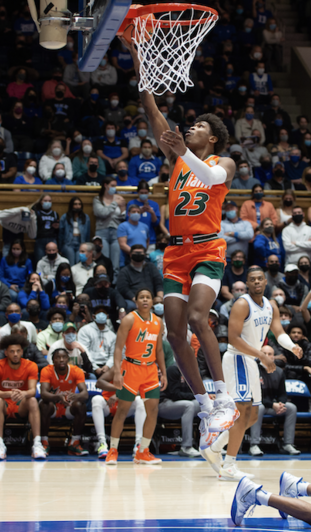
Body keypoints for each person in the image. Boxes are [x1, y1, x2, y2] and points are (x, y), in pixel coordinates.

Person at [130, 40, 239, 445]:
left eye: (199, 127)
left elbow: (211, 181)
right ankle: (206, 403)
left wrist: (181, 152)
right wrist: (138, 54)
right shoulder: (178, 156)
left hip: (208, 249)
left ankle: (224, 397)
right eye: (189, 126)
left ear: (212, 139)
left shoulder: (221, 162)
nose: (190, 127)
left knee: (197, 318)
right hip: (175, 252)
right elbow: (151, 108)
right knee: (174, 332)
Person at [202, 267, 304, 476]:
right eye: (252, 280)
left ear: (266, 282)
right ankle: (229, 465)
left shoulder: (271, 305)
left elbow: (278, 331)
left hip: (251, 360)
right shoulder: (242, 304)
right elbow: (234, 339)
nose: (257, 282)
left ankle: (214, 448)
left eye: (260, 279)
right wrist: (262, 355)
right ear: (247, 284)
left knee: (252, 417)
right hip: (237, 358)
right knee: (241, 414)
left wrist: (291, 345)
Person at [106, 290, 167, 465]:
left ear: (153, 301)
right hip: (130, 368)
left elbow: (159, 350)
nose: (145, 300)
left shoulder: (158, 322)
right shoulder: (129, 319)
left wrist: (162, 372)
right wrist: (117, 372)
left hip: (149, 370)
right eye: (142, 297)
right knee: (122, 411)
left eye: (148, 297)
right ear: (136, 301)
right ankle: (113, 450)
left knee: (153, 411)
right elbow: (118, 348)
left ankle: (143, 451)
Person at [0, 333, 47, 460]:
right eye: (12, 351)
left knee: (32, 401)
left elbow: (32, 391)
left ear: (22, 352)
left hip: (21, 404)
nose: (15, 354)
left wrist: (23, 393)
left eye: (18, 351)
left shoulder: (31, 365)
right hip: (4, 403)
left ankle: (37, 444)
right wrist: (9, 394)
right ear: (6, 353)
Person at [247, 345, 300, 457]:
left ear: (273, 357)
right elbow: (255, 395)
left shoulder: (279, 372)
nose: (267, 356)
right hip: (257, 405)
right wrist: (272, 405)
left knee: (291, 408)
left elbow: (282, 393)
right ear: (259, 355)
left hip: (273, 406)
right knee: (259, 407)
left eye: (270, 354)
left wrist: (281, 403)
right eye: (264, 353)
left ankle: (288, 444)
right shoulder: (253, 370)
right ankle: (254, 445)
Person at [38, 347, 89, 456]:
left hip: (68, 406)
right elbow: (44, 394)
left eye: (64, 357)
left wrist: (75, 396)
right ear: (53, 360)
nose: (61, 360)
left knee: (81, 405)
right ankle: (44, 442)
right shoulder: (46, 370)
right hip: (53, 407)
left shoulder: (76, 371)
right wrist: (58, 397)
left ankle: (74, 443)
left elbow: (85, 394)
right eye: (58, 357)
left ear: (68, 359)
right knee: (44, 404)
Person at [91, 366, 147, 459]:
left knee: (140, 401)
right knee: (96, 399)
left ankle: (138, 444)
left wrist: (120, 393)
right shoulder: (117, 368)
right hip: (109, 404)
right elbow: (98, 383)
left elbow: (142, 390)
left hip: (126, 406)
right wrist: (117, 388)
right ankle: (102, 444)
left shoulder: (139, 370)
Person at [158, 363, 202, 458]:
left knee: (205, 404)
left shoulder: (193, 371)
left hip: (181, 404)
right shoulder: (173, 369)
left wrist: (204, 397)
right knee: (188, 405)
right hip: (164, 404)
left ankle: (209, 446)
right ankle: (186, 447)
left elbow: (194, 392)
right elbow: (174, 395)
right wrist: (197, 396)